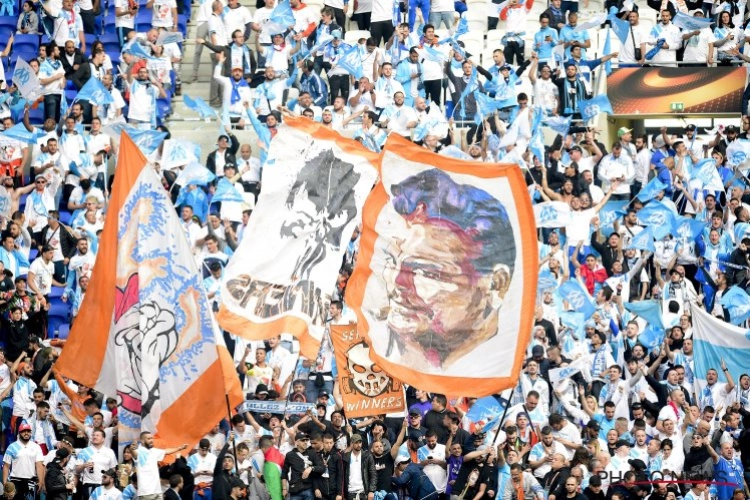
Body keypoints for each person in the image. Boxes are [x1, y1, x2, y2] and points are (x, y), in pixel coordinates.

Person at [130, 432, 188, 500]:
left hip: (157, 491)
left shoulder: (153, 451)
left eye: (152, 438)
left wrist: (179, 448)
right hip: (146, 492)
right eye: (148, 439)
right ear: (142, 440)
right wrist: (131, 450)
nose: (151, 440)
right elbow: (135, 455)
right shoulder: (139, 451)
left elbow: (166, 451)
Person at [2, 423, 45, 499]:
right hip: (15, 480)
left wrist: (41, 481)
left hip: (31, 481)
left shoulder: (36, 447)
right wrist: (5, 482)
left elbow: (39, 465)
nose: (26, 433)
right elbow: (6, 466)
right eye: (24, 431)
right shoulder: (12, 447)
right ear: (19, 433)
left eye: (28, 431)